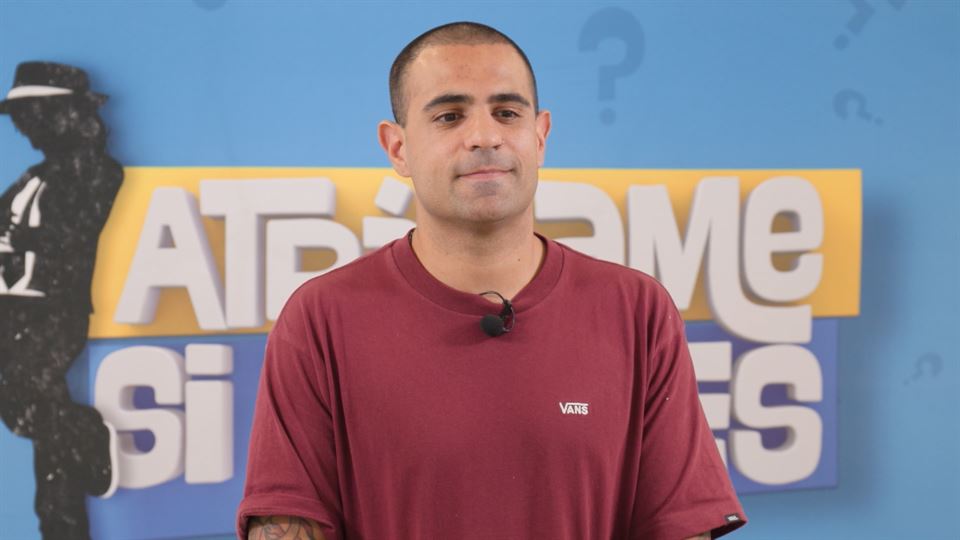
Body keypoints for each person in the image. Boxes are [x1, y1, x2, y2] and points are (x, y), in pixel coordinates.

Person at [238, 22, 746, 540]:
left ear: (540, 136)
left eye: (506, 112)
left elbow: (679, 524)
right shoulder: (321, 318)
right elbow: (287, 520)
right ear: (397, 148)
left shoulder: (637, 310)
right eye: (449, 116)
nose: (484, 136)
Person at [0, 62, 122, 539]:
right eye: (20, 120)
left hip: (51, 308)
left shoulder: (93, 172)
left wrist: (17, 246)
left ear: (64, 115)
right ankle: (62, 520)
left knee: (29, 399)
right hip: (10, 307)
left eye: (33, 116)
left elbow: (68, 239)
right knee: (34, 421)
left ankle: (85, 435)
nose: (25, 129)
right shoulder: (31, 177)